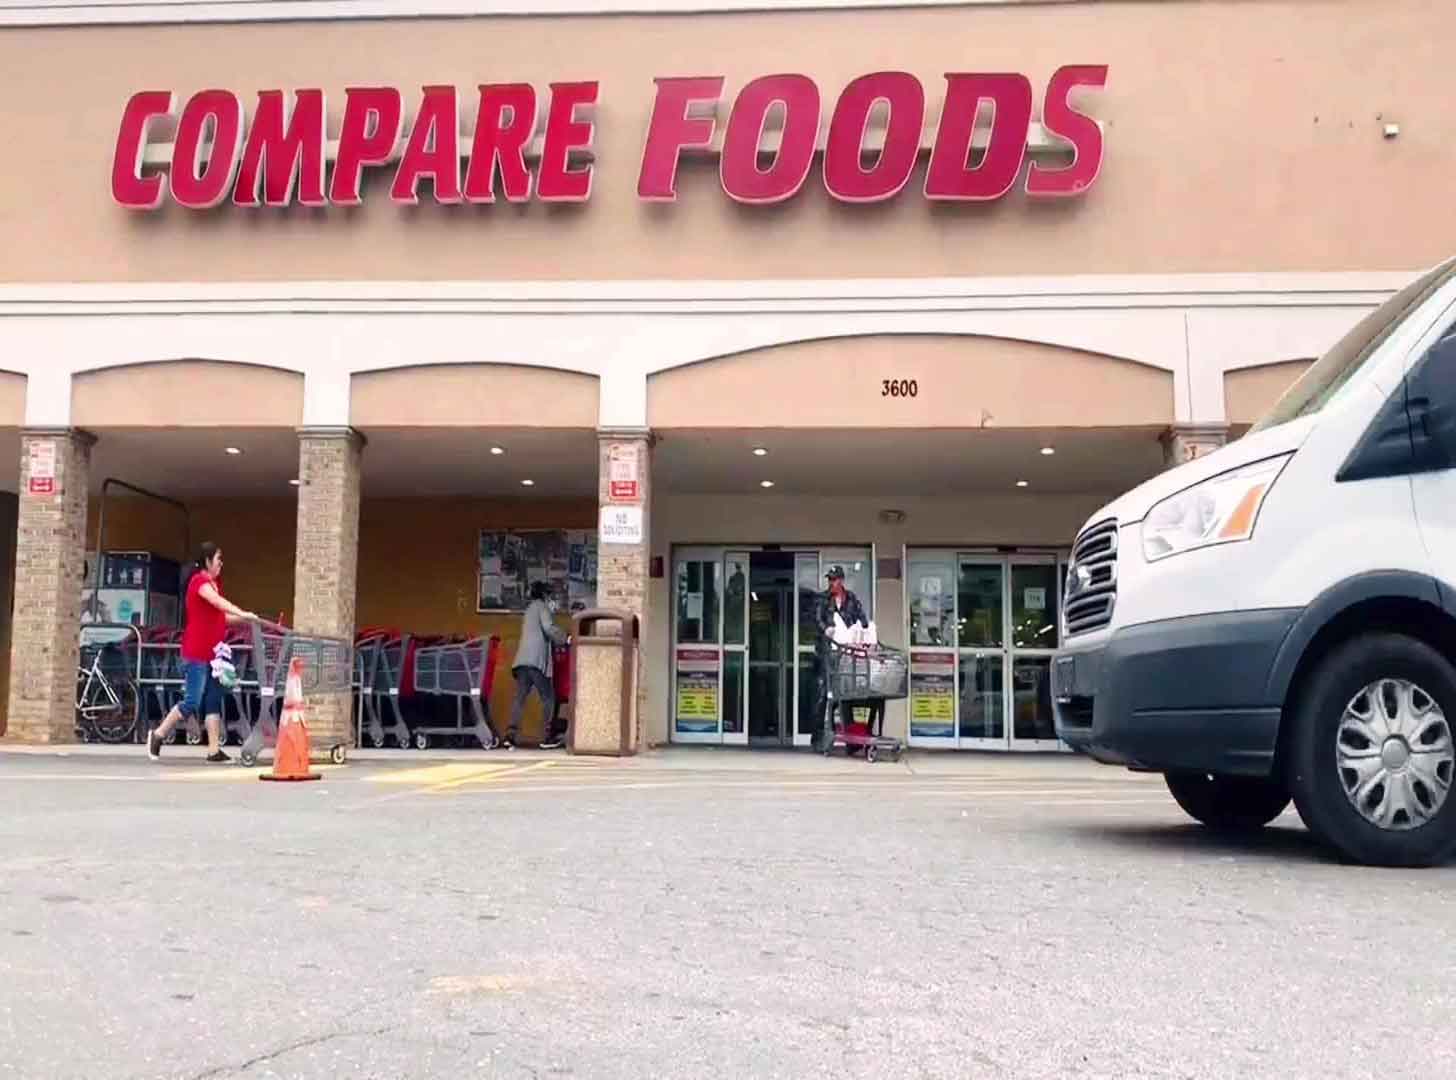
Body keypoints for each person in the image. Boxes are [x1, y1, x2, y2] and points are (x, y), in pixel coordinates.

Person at [146, 542, 258, 763]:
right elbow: (218, 603)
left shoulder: (215, 584)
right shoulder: (200, 582)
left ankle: (214, 750)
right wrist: (241, 611)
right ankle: (158, 735)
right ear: (207, 561)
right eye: (218, 559)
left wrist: (246, 619)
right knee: (192, 701)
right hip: (196, 652)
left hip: (214, 654)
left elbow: (221, 617)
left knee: (213, 700)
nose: (221, 564)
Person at [814, 565, 873, 754]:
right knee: (825, 696)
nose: (831, 583)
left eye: (834, 579)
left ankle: (851, 741)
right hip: (827, 654)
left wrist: (865, 633)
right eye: (829, 580)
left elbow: (862, 619)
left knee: (846, 694)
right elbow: (816, 619)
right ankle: (821, 738)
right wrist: (825, 629)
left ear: (841, 581)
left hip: (847, 654)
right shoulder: (824, 599)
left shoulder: (852, 599)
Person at [504, 581, 569, 750]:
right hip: (536, 662)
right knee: (548, 698)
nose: (551, 598)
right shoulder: (542, 607)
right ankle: (548, 736)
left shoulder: (529, 610)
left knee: (520, 698)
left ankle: (510, 736)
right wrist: (566, 638)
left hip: (522, 661)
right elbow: (548, 627)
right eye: (549, 594)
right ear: (544, 595)